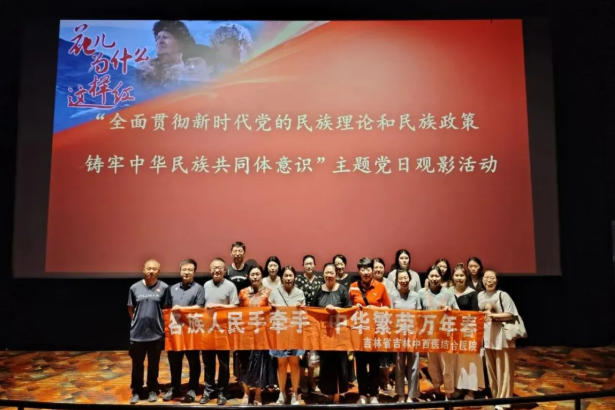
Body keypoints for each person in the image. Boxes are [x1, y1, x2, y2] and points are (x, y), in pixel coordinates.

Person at [127, 259, 170, 404]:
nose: (151, 271)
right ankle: (137, 390)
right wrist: (137, 321)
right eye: (148, 268)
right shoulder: (134, 288)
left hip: (156, 334)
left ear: (159, 271)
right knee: (137, 364)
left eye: (154, 269)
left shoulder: (164, 287)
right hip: (137, 335)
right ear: (143, 270)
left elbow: (166, 309)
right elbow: (130, 308)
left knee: (153, 364)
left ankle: (152, 389)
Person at [348, 257, 391, 404]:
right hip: (359, 333)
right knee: (360, 366)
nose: (366, 272)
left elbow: (388, 308)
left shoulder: (381, 287)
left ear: (372, 270)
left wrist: (375, 309)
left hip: (374, 334)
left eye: (368, 269)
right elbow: (347, 308)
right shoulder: (353, 287)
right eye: (363, 269)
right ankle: (362, 394)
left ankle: (373, 394)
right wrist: (354, 308)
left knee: (374, 366)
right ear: (359, 271)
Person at [163, 259, 205, 403]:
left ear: (194, 272)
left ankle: (193, 388)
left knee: (194, 362)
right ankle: (175, 387)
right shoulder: (171, 288)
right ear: (180, 271)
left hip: (191, 332)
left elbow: (200, 307)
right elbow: (167, 309)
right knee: (174, 362)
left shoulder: (199, 288)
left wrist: (181, 309)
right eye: (184, 270)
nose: (187, 272)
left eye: (190, 270)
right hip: (175, 332)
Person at [478, 269, 521, 409]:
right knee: (491, 370)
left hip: (502, 336)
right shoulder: (480, 295)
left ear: (497, 280)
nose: (489, 280)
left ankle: (505, 401)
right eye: (486, 277)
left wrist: (493, 316)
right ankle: (496, 397)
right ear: (482, 280)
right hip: (487, 336)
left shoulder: (503, 295)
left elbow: (510, 314)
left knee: (504, 369)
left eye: (492, 278)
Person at [201, 257, 239, 405]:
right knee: (208, 363)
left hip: (223, 331)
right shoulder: (205, 285)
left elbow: (235, 306)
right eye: (214, 268)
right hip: (208, 331)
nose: (217, 270)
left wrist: (218, 307)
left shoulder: (230, 286)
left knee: (224, 364)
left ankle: (223, 391)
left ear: (224, 270)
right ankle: (209, 390)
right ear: (210, 270)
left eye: (220, 268)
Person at [311, 262, 351, 403]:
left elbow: (348, 310)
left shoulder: (342, 290)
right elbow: (313, 311)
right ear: (323, 274)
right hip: (324, 335)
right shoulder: (318, 290)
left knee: (341, 365)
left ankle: (338, 394)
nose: (329, 275)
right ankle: (328, 393)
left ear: (336, 274)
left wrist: (336, 310)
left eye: (331, 273)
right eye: (326, 273)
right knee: (326, 365)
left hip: (340, 335)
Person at [418, 265, 459, 400]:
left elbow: (457, 311)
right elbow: (417, 312)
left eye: (437, 276)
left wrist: (449, 309)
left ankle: (448, 392)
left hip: (445, 335)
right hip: (430, 335)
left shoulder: (448, 293)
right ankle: (436, 389)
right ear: (428, 277)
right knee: (433, 365)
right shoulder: (421, 293)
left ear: (441, 278)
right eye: (432, 276)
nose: (434, 278)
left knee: (447, 366)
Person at [238, 266, 276, 405]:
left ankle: (258, 394)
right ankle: (246, 393)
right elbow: (237, 312)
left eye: (257, 274)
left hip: (262, 335)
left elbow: (273, 312)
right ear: (248, 276)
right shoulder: (242, 292)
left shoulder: (268, 292)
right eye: (252, 274)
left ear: (262, 276)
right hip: (245, 334)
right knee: (244, 364)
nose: (255, 277)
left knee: (260, 365)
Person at [269, 266, 306, 405]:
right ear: (282, 277)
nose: (288, 278)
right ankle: (282, 393)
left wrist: (301, 309)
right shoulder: (274, 292)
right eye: (286, 276)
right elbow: (269, 314)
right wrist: (271, 308)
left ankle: (295, 393)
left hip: (295, 334)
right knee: (281, 364)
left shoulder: (300, 293)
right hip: (280, 334)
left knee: (295, 364)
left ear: (294, 277)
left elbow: (303, 315)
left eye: (291, 276)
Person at [451, 263, 485, 400]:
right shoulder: (448, 292)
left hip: (468, 332)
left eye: (462, 275)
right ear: (453, 277)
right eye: (457, 275)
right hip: (453, 332)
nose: (459, 278)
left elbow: (475, 313)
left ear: (466, 277)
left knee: (470, 362)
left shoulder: (472, 293)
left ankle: (471, 391)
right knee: (456, 361)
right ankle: (458, 387)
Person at [389, 270, 422, 403]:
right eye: (401, 278)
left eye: (405, 278)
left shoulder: (416, 295)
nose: (403, 281)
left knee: (414, 366)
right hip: (398, 335)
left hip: (413, 335)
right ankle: (401, 394)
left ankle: (412, 395)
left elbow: (419, 315)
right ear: (397, 281)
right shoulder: (392, 295)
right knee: (399, 365)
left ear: (410, 279)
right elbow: (390, 315)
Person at [136, 20, 195, 88]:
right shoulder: (144, 68)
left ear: (180, 43)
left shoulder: (190, 71)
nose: (160, 41)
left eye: (165, 37)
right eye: (158, 38)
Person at [294, 254, 323, 394]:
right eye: (306, 263)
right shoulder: (298, 280)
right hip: (300, 320)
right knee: (301, 351)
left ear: (315, 265)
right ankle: (302, 381)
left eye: (311, 263)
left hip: (315, 321)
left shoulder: (320, 280)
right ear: (303, 266)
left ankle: (311, 380)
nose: (309, 266)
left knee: (312, 352)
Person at [372, 257, 395, 392]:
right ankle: (375, 381)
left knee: (385, 353)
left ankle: (385, 380)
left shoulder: (389, 284)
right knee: (374, 354)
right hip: (371, 323)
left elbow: (393, 302)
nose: (378, 270)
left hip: (386, 322)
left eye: (380, 267)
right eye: (376, 267)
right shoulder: (369, 283)